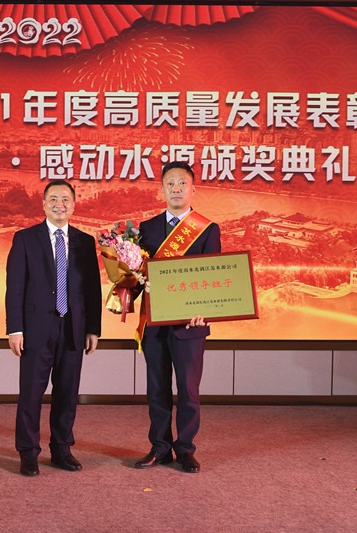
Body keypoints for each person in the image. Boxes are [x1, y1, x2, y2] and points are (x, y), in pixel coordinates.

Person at [5, 180, 102, 477]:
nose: (60, 205)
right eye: (54, 199)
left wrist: (93, 328)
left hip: (74, 328)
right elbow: (15, 287)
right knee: (31, 394)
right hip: (35, 329)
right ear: (44, 204)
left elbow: (92, 289)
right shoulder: (25, 239)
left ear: (74, 204)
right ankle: (28, 452)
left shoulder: (85, 242)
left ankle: (61, 449)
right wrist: (15, 329)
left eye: (66, 200)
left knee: (67, 393)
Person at [134, 161, 221, 474]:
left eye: (182, 183)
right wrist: (128, 284)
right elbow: (137, 274)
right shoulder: (146, 229)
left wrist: (205, 310)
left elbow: (213, 276)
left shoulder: (208, 229)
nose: (176, 188)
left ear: (193, 189)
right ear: (161, 190)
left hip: (190, 326)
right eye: (170, 183)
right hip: (155, 324)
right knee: (156, 390)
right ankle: (159, 447)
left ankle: (185, 449)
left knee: (188, 392)